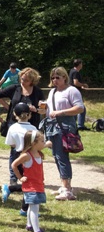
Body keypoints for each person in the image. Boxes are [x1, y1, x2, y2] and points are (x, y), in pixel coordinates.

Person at [44, 66, 84, 201]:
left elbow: (80, 108)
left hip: (65, 127)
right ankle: (65, 186)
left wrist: (61, 112)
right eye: (52, 78)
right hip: (52, 126)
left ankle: (67, 189)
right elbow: (49, 109)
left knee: (62, 157)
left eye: (58, 77)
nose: (55, 80)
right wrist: (40, 108)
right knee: (56, 156)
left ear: (64, 77)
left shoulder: (71, 90)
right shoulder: (53, 91)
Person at [11, 130, 52, 232]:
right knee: (35, 208)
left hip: (38, 185)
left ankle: (29, 225)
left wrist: (46, 144)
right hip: (31, 187)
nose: (44, 143)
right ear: (34, 143)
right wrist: (20, 178)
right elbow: (14, 165)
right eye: (42, 141)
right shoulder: (27, 155)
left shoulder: (38, 153)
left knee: (31, 206)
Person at [2, 102, 39, 216]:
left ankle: (12, 190)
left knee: (26, 181)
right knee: (30, 183)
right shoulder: (33, 128)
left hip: (17, 155)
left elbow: (11, 143)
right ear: (29, 115)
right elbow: (36, 144)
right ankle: (24, 208)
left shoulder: (13, 127)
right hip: (30, 156)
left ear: (14, 114)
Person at [68, 59, 88, 131]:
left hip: (72, 92)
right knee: (81, 108)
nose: (82, 65)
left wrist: (81, 86)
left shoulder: (72, 71)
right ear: (79, 65)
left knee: (76, 109)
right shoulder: (75, 72)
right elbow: (75, 82)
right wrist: (83, 85)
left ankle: (75, 125)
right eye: (81, 64)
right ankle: (80, 125)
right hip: (75, 93)